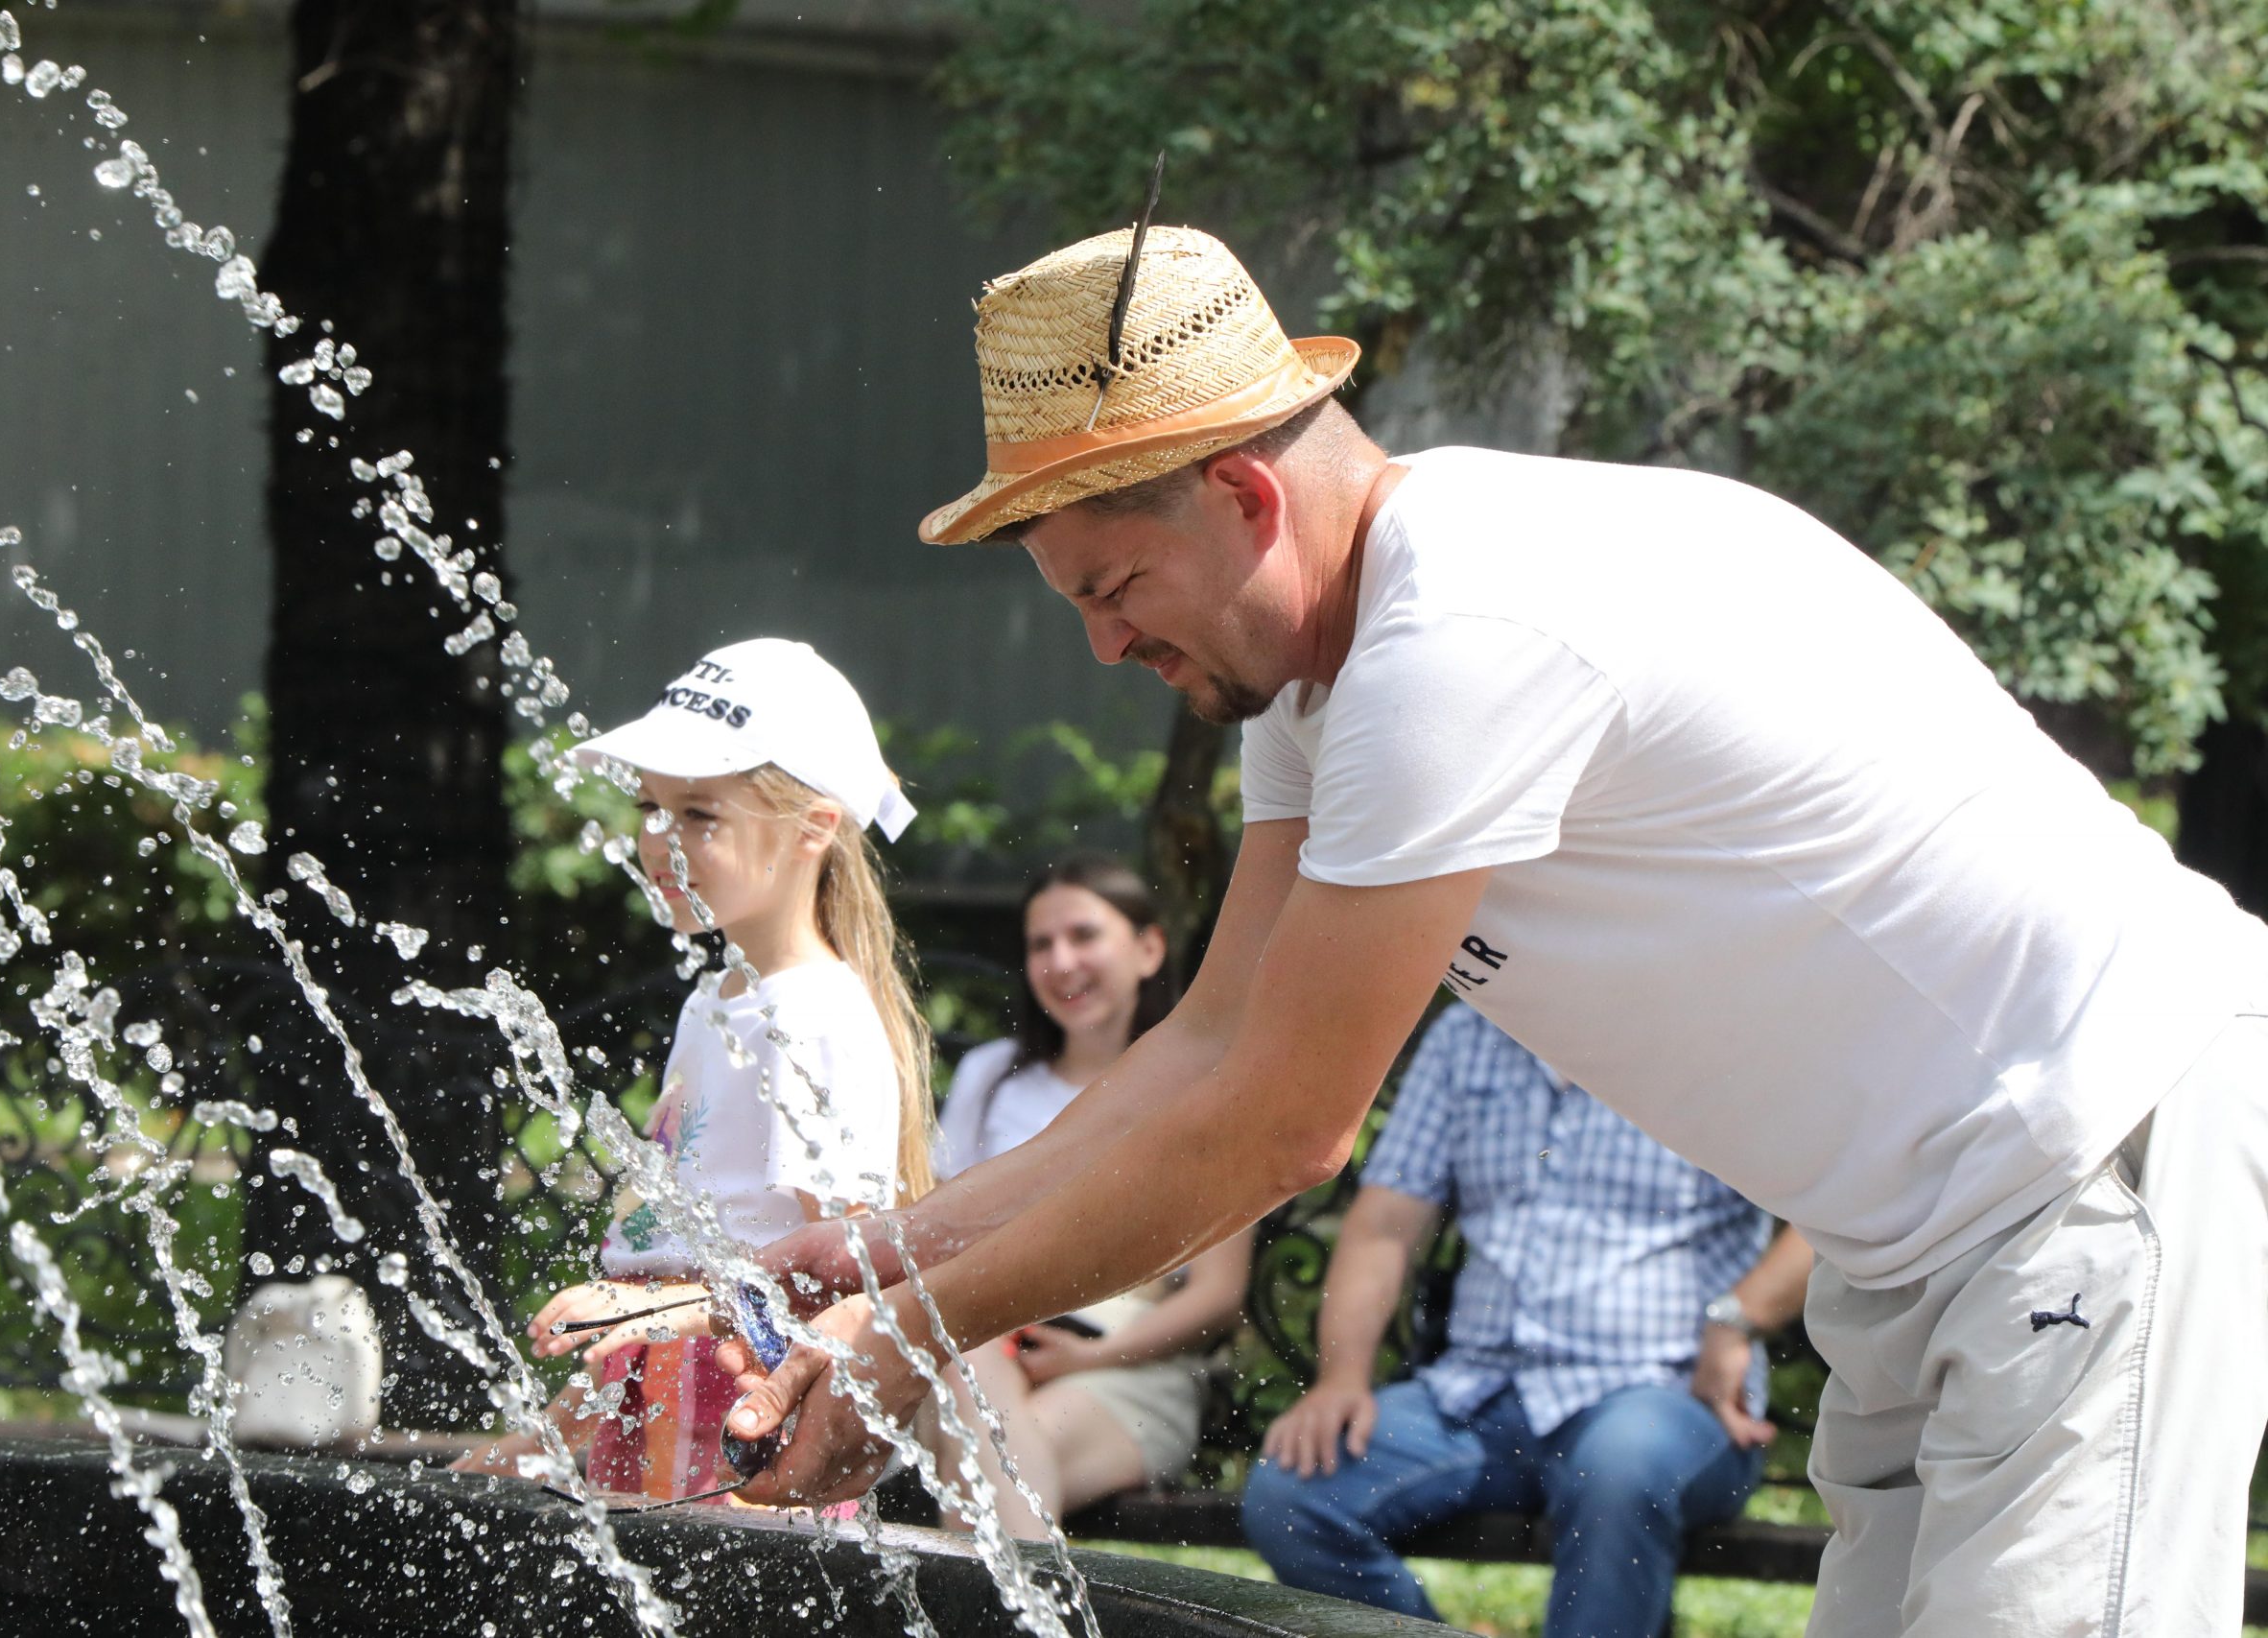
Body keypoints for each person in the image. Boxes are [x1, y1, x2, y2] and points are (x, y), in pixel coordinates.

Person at [724, 226, 2268, 1637]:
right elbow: (1205, 1042)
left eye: (1116, 584)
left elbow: (1277, 1125)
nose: (1105, 639)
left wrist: (910, 1333)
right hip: (1921, 1230)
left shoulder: (1457, 634)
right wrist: (884, 1246)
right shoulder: (1323, 684)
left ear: (1247, 496)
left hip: (2094, 1145)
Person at [453, 636, 933, 1505]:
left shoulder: (817, 1018)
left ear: (814, 828)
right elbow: (660, 1253)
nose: (656, 841)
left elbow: (855, 1278)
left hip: (742, 1412)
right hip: (655, 1395)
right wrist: (549, 1435)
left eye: (700, 816)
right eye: (648, 805)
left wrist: (661, 1316)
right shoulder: (716, 1001)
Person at [1242, 1004, 1812, 1634]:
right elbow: (1384, 1225)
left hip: (1662, 1397)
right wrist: (1341, 1377)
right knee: (1293, 1492)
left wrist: (1738, 1317)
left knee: (1620, 1470)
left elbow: (1831, 1212)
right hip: (1479, 1396)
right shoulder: (1467, 1035)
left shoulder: (1714, 1041)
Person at [920, 855, 1250, 1536]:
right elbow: (938, 1239)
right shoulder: (991, 1078)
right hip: (980, 1351)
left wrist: (1089, 1358)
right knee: (974, 1386)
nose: (1061, 961)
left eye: (1084, 935)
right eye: (1041, 944)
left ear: (1148, 946)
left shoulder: (1205, 1092)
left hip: (1128, 1370)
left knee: (985, 1463)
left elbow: (1216, 1292)